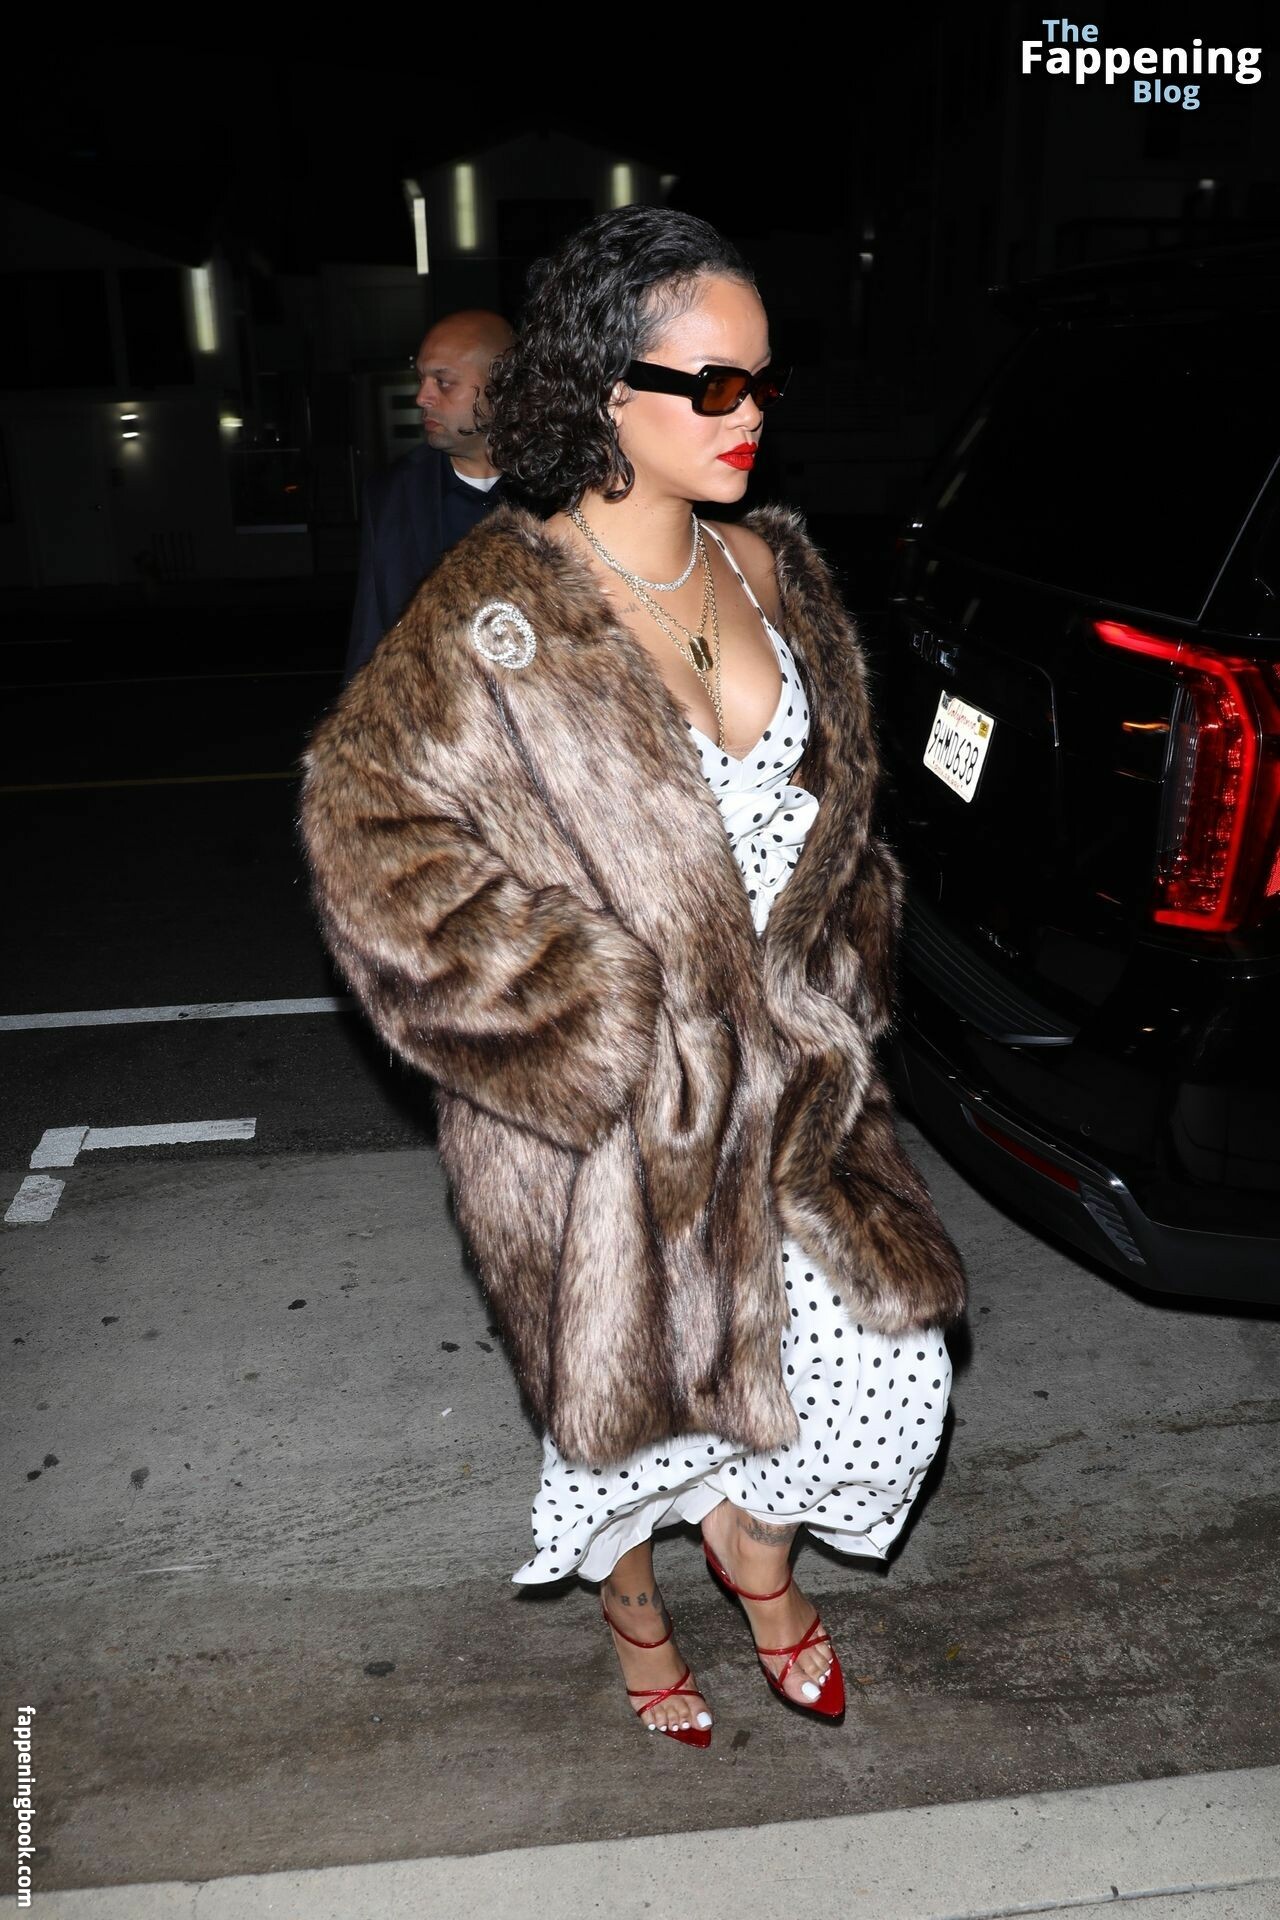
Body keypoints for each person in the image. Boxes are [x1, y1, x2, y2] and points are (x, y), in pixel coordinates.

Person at [301, 205, 967, 1748]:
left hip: (793, 1080)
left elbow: (827, 814)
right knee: (633, 1414)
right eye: (713, 384)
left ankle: (756, 1557)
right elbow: (363, 830)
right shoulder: (502, 613)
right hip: (619, 1123)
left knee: (893, 1377)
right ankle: (635, 1609)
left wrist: (838, 965)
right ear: (607, 391)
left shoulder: (769, 567)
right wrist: (584, 1022)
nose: (751, 414)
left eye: (764, 381)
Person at [342, 308, 515, 684]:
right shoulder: (390, 495)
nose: (422, 397)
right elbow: (369, 640)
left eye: (444, 382)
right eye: (421, 379)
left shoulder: (564, 489)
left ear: (501, 385)